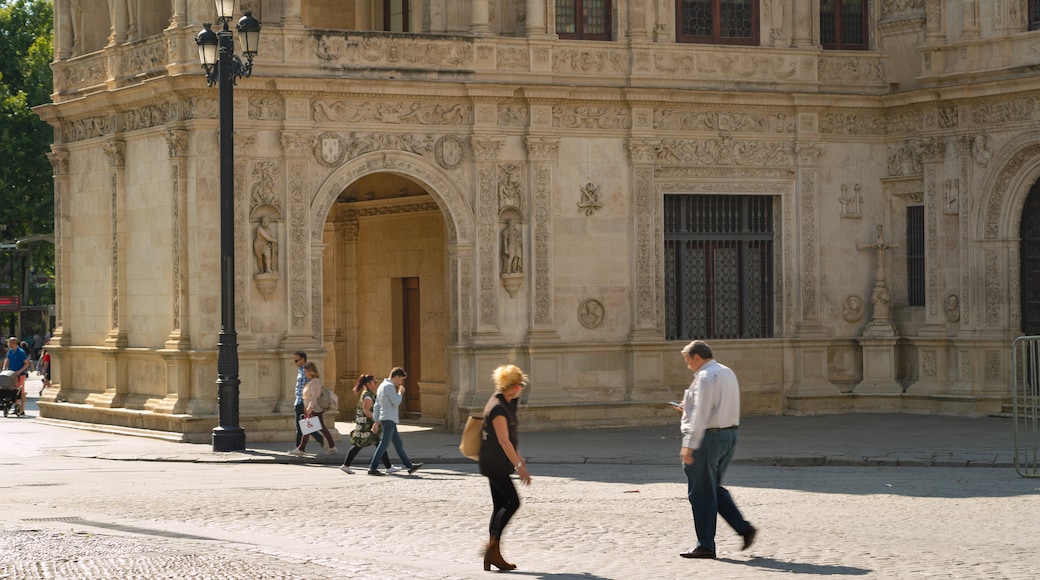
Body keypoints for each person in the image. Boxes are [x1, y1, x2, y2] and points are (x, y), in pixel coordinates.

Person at [676, 340, 756, 559]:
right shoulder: (727, 372)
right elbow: (717, 406)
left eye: (688, 361)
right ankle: (743, 528)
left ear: (697, 357)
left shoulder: (704, 376)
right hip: (729, 435)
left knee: (701, 493)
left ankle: (705, 545)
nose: (688, 366)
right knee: (712, 487)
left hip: (708, 438)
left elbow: (701, 414)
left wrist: (689, 446)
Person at [478, 364, 532, 572]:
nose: (521, 388)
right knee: (512, 502)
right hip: (495, 463)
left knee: (500, 504)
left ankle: (492, 552)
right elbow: (504, 440)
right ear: (512, 386)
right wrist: (519, 466)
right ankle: (492, 549)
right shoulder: (498, 408)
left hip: (495, 462)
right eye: (519, 385)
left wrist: (519, 459)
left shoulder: (505, 401)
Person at [367, 367, 423, 476]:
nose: (401, 382)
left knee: (398, 444)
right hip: (389, 419)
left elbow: (377, 406)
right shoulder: (389, 387)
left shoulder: (382, 386)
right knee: (384, 444)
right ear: (396, 377)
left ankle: (409, 466)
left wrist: (376, 421)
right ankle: (372, 467)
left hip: (386, 418)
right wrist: (400, 392)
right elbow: (396, 402)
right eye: (401, 379)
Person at [339, 374, 398, 474]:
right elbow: (366, 410)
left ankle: (388, 466)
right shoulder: (368, 396)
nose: (376, 384)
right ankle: (346, 465)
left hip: (366, 425)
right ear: (368, 384)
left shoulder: (368, 394)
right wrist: (377, 419)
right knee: (361, 445)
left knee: (376, 443)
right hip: (366, 426)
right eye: (374, 382)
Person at [288, 362, 336, 456]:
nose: (305, 374)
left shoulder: (315, 382)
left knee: (309, 429)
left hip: (314, 409)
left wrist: (310, 407)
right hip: (311, 409)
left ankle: (301, 449)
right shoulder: (312, 381)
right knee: (313, 429)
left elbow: (314, 396)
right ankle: (331, 447)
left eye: (306, 371)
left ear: (311, 371)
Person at [290, 351, 324, 451]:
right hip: (300, 401)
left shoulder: (305, 371)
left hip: (302, 402)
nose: (295, 362)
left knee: (301, 426)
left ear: (303, 359)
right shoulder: (301, 371)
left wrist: (309, 403)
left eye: (297, 360)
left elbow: (312, 387)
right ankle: (322, 440)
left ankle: (299, 448)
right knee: (306, 425)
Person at [3, 337, 29, 416]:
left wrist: (19, 372)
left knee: (21, 392)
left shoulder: (21, 352)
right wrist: (4, 368)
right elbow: (7, 360)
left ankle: (22, 409)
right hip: (11, 375)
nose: (8, 344)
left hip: (20, 375)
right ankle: (16, 407)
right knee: (12, 391)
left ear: (13, 343)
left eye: (9, 342)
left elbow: (26, 363)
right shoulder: (10, 351)